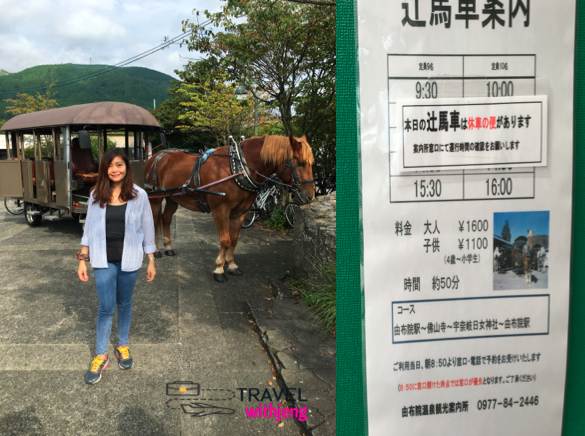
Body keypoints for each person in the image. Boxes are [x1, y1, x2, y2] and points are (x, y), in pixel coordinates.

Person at [77, 147, 156, 384]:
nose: (114, 169)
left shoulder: (139, 195)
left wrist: (151, 259)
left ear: (126, 167)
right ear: (105, 169)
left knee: (125, 303)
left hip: (130, 259)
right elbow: (88, 228)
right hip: (102, 259)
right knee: (105, 307)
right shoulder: (95, 194)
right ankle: (101, 354)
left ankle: (123, 345)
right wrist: (82, 259)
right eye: (110, 165)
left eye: (119, 164)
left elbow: (148, 228)